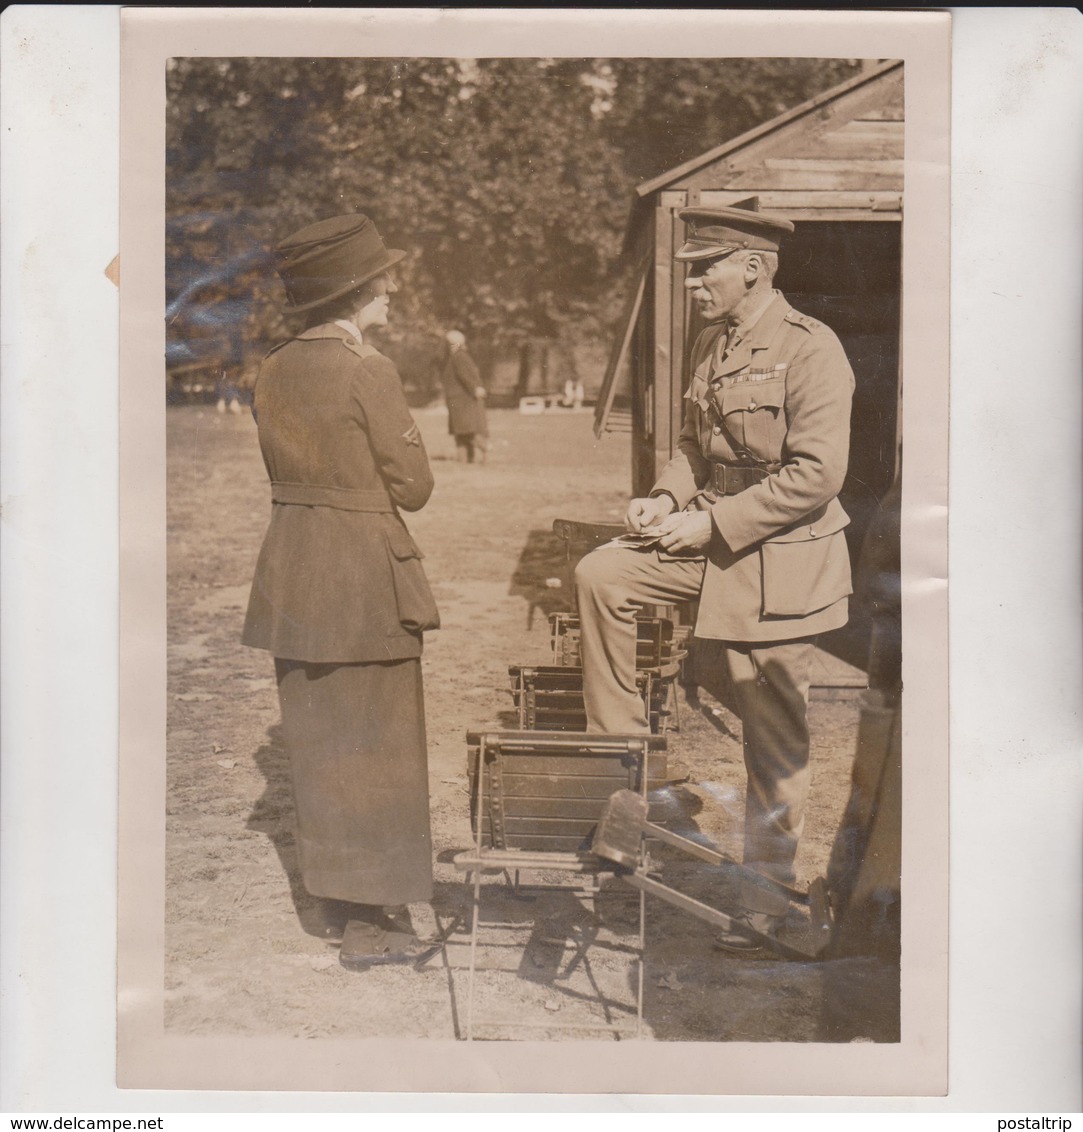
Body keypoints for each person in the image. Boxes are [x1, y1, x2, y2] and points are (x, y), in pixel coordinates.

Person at [574, 205, 855, 954]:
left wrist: (709, 523)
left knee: (772, 742)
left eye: (706, 267)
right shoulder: (712, 343)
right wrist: (664, 497)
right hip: (708, 539)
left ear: (753, 269)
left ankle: (765, 902)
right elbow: (691, 447)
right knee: (602, 574)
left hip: (778, 562)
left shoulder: (811, 349)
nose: (693, 280)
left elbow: (818, 475)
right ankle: (631, 763)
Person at [242, 214, 440, 969]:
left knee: (320, 734)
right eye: (381, 279)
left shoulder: (273, 366)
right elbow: (414, 487)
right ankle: (374, 922)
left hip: (293, 566)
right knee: (379, 739)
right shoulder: (370, 369)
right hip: (363, 571)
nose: (391, 288)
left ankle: (335, 898)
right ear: (356, 293)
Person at [441, 329, 487, 463]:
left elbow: (465, 376)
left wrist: (475, 389)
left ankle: (480, 453)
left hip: (462, 400)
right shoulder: (458, 356)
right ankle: (466, 459)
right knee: (463, 431)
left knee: (466, 431)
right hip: (460, 399)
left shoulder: (458, 356)